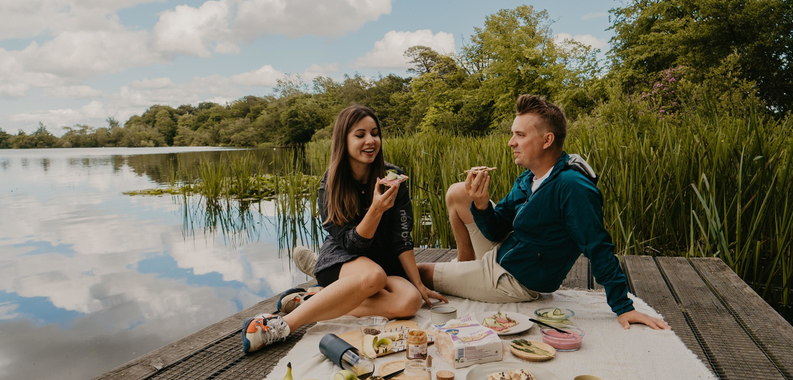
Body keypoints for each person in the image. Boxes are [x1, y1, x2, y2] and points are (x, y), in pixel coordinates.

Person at [417, 94, 670, 330]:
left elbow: (597, 245)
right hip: (505, 252)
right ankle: (465, 266)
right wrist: (481, 204)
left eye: (519, 135)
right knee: (458, 192)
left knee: (419, 273)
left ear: (547, 140)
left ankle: (463, 275)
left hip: (516, 280)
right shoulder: (530, 177)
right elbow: (497, 230)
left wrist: (623, 307)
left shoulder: (572, 187)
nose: (511, 142)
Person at [242, 105, 447, 353]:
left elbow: (401, 239)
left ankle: (313, 300)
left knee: (409, 301)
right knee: (373, 276)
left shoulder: (394, 178)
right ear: (344, 140)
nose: (370, 141)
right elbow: (351, 244)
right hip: (343, 261)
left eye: (374, 133)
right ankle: (282, 325)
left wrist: (418, 283)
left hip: (383, 264)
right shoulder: (331, 184)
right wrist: (375, 210)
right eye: (360, 135)